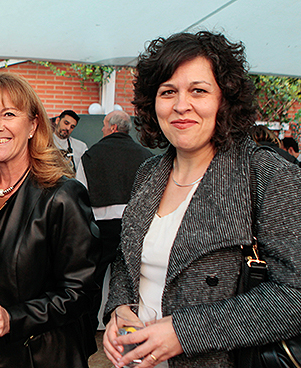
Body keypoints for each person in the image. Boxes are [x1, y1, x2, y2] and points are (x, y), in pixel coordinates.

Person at [103, 31, 301, 368]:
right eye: (168, 92)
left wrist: (185, 332)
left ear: (224, 99)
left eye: (198, 90)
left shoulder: (268, 175)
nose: (182, 105)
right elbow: (128, 258)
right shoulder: (149, 173)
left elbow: (295, 296)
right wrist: (120, 306)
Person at [0, 72, 99, 368]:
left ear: (34, 124)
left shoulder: (62, 195)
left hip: (37, 358)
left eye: (8, 114)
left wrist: (12, 318)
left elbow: (81, 293)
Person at [75, 110, 152, 329]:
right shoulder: (146, 156)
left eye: (104, 125)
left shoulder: (91, 155)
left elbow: (80, 192)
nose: (102, 129)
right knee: (133, 280)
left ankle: (88, 327)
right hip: (136, 227)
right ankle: (132, 328)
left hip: (101, 227)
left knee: (95, 279)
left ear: (113, 128)